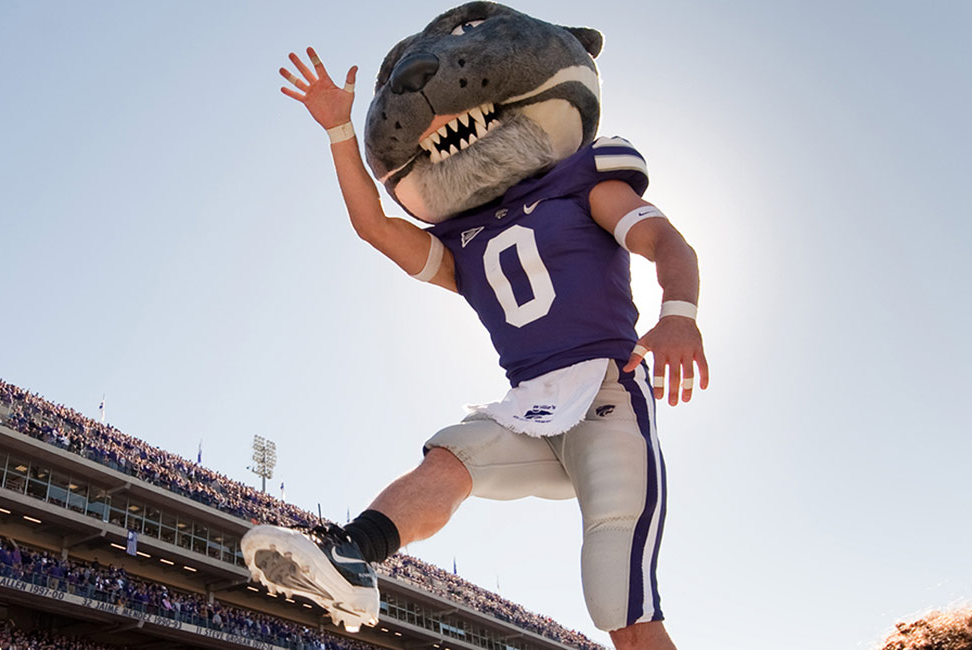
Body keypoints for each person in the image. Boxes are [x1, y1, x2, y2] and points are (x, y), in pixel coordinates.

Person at [241, 7, 707, 649]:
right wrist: (339, 134)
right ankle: (353, 555)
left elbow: (662, 238)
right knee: (451, 455)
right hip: (530, 408)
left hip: (607, 396)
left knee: (618, 602)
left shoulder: (582, 182)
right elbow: (375, 227)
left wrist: (678, 314)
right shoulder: (459, 242)